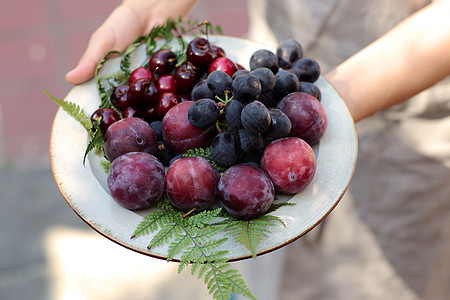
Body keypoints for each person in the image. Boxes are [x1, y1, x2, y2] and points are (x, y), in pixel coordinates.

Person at [66, 0, 450, 299]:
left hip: (404, 117)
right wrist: (147, 9)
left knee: (362, 282)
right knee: (255, 267)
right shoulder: (234, 107)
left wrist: (330, 103)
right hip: (268, 67)